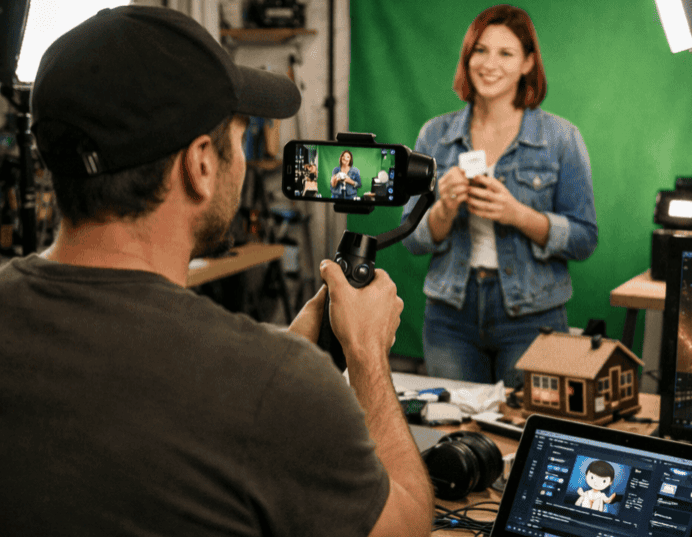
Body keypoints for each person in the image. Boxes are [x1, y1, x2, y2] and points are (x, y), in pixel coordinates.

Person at [0, 6, 433, 537]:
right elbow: (407, 524)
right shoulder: (273, 386)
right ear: (201, 164)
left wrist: (293, 351)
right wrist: (365, 355)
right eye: (241, 136)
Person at [401, 5, 598, 387]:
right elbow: (411, 239)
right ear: (468, 56)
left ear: (527, 63)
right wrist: (443, 208)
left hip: (533, 316)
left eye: (506, 53)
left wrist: (517, 214)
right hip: (449, 315)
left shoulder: (561, 138)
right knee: (455, 437)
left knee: (521, 433)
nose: (490, 64)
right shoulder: (434, 136)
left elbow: (585, 239)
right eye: (481, 50)